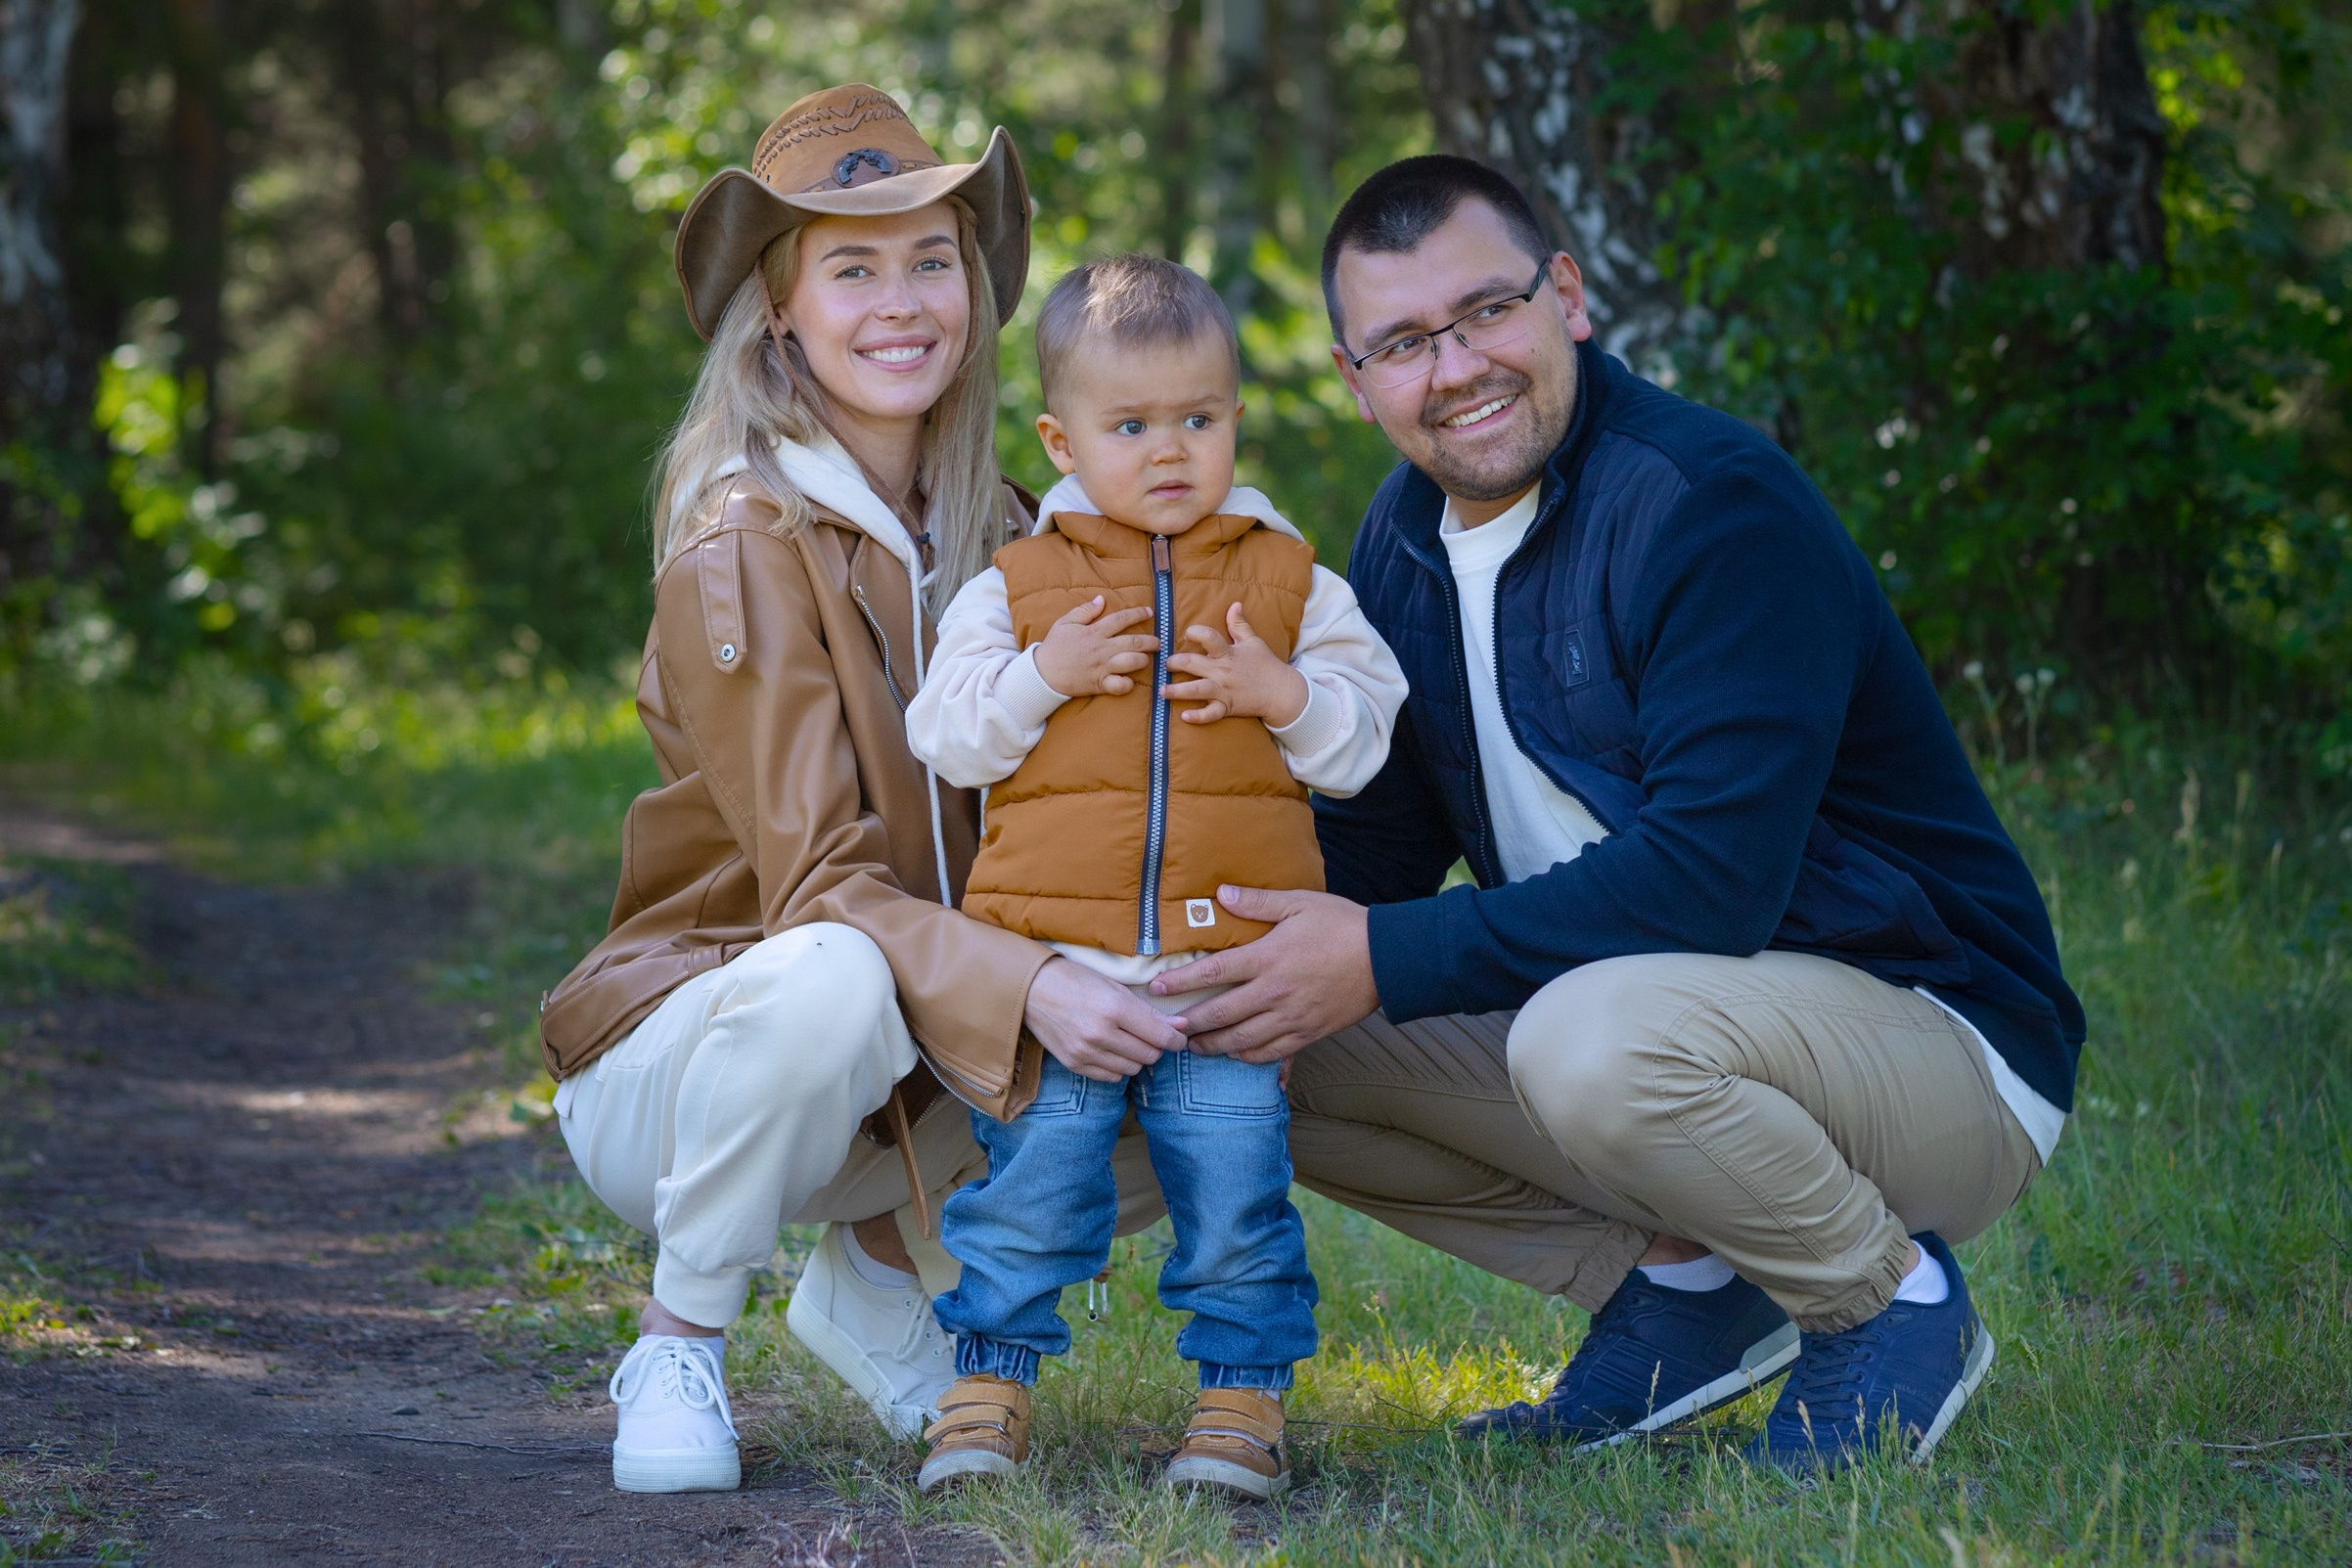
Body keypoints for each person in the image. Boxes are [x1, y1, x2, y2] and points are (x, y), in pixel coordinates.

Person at [1153, 155, 2087, 1471]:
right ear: (1358, 380)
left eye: (1488, 311)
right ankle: (1692, 1292)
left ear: (1567, 298)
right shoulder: (1401, 541)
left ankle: (1884, 1300)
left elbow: (1712, 884)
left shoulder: (1710, 506)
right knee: (1252, 1032)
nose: (1458, 366)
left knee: (1588, 1035)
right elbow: (1375, 849)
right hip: (1679, 1039)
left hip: (1933, 1045)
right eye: (1406, 342)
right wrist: (1168, 926)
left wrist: (1377, 954)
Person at [537, 86, 1193, 1495]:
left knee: (1202, 1027)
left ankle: (883, 1260)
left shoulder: (1016, 532)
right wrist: (1034, 984)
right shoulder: (742, 541)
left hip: (904, 1070)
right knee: (834, 967)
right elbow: (820, 890)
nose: (902, 303)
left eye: (931, 259)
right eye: (851, 265)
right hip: (699, 1050)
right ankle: (679, 1333)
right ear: (780, 309)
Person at [901, 255, 1407, 1500]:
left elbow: (1367, 736)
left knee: (1237, 1195)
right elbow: (946, 735)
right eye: (1131, 426)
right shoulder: (1017, 587)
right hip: (1059, 975)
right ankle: (986, 1383)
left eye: (1199, 417)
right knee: (1032, 1188)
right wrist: (1044, 675)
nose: (1170, 450)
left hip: (1227, 978)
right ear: (1061, 439)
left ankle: (1240, 1400)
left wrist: (1281, 694)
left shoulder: (1291, 585)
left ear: (1236, 415)